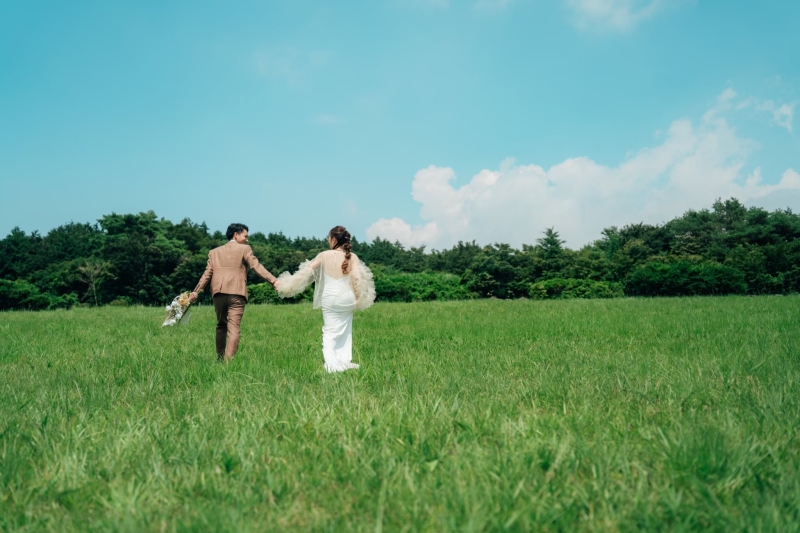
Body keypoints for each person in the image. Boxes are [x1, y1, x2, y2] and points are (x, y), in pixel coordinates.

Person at [275, 226, 375, 373]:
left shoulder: (323, 255)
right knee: (345, 328)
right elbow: (356, 277)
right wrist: (358, 296)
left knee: (329, 331)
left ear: (334, 239)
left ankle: (332, 365)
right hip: (347, 298)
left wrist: (287, 285)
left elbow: (306, 272)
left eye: (329, 238)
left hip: (330, 297)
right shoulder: (352, 257)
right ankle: (343, 360)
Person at [189, 223, 277, 362]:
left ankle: (219, 359)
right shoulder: (245, 249)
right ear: (236, 235)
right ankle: (228, 363)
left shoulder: (214, 252)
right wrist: (274, 281)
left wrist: (196, 292)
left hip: (218, 293)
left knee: (221, 326)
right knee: (233, 328)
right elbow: (256, 266)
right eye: (245, 236)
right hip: (237, 293)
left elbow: (207, 274)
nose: (247, 239)